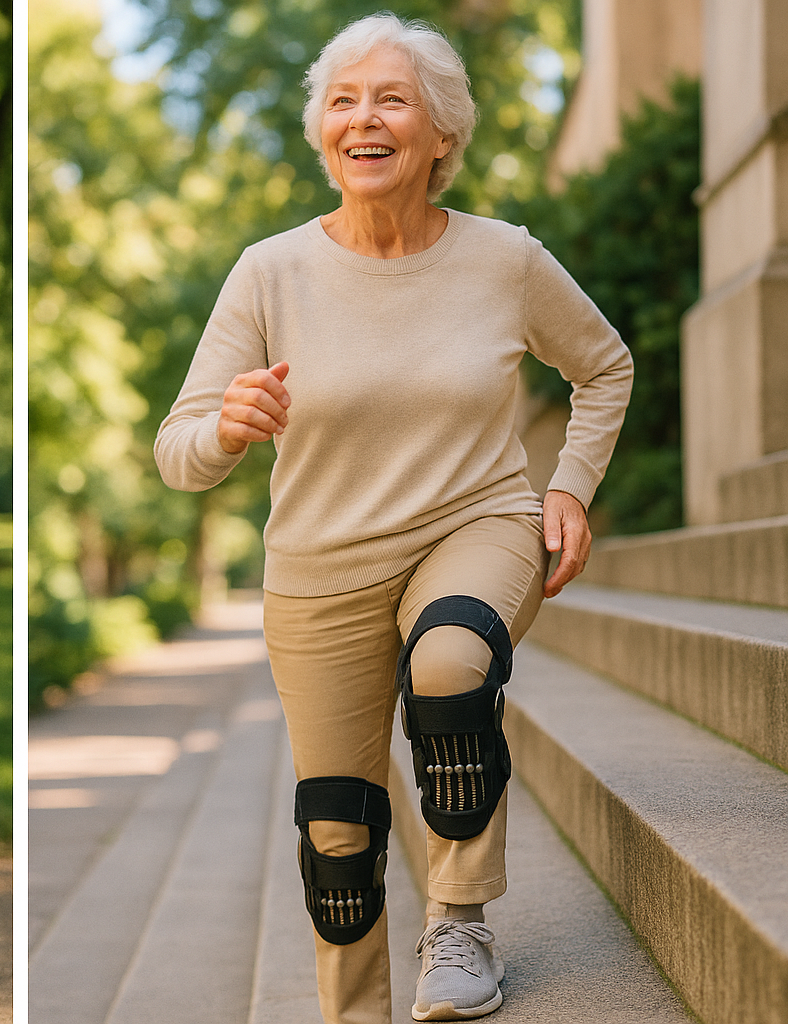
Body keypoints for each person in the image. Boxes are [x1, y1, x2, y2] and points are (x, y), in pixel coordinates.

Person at [155, 13, 632, 1024]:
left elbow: (604, 365)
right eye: (343, 99)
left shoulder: (504, 259)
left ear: (440, 135)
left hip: (479, 525)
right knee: (339, 833)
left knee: (451, 666)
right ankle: (356, 1008)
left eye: (391, 98)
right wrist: (227, 428)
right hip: (318, 571)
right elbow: (178, 448)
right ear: (322, 130)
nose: (363, 118)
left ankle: (458, 919)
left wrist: (569, 487)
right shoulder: (270, 271)